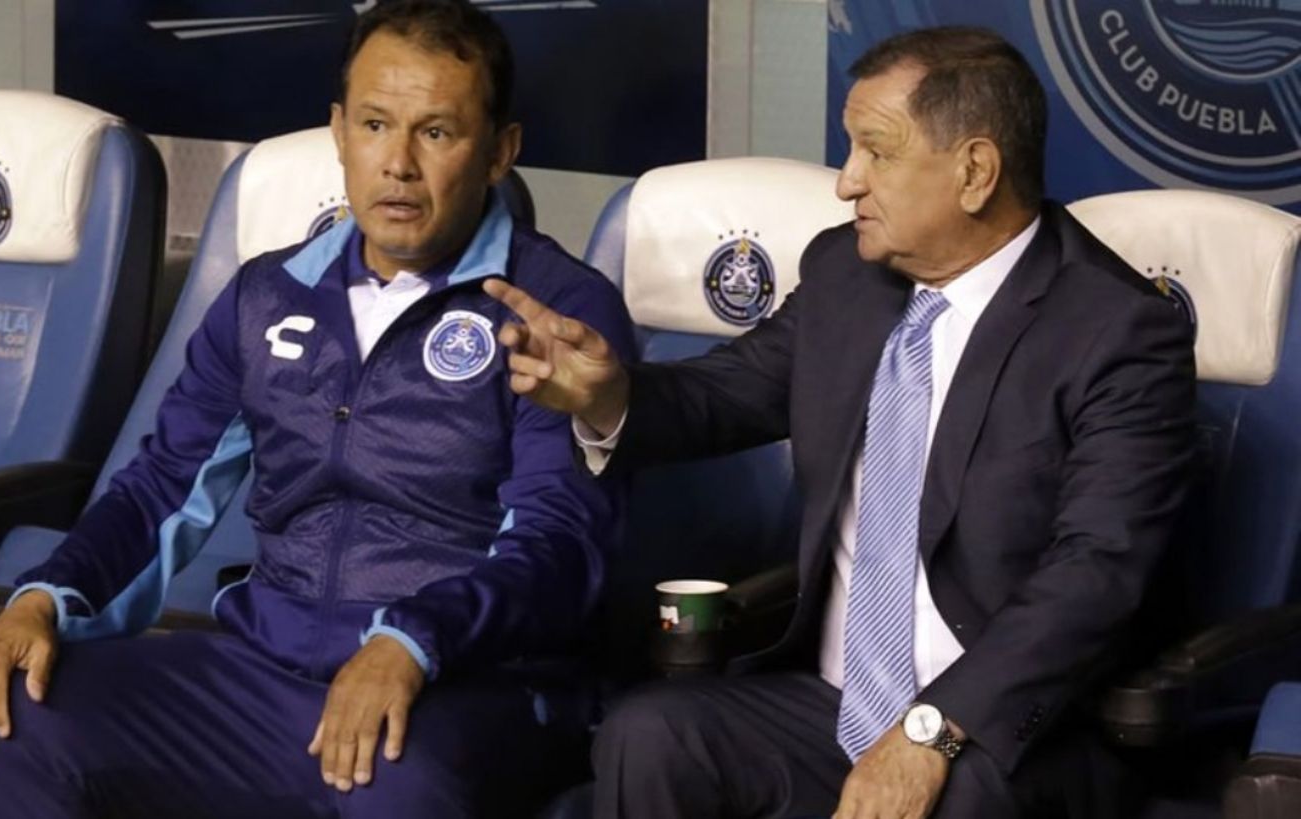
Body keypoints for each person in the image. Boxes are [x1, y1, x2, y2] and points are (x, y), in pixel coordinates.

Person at [0, 1, 635, 816]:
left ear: (499, 151)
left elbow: (560, 543)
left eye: (437, 132)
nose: (398, 164)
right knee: (3, 720)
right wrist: (41, 598)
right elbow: (160, 489)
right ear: (339, 132)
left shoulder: (556, 310)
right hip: (263, 670)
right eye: (374, 125)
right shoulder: (267, 295)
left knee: (389, 774)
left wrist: (414, 640)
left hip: (467, 683)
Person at [487, 26, 1195, 819]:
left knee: (953, 800)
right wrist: (607, 393)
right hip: (832, 704)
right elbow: (728, 394)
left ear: (975, 172)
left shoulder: (1117, 331)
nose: (847, 182)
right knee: (651, 734)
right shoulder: (846, 275)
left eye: (876, 153)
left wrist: (931, 730)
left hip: (1007, 728)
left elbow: (1096, 572)